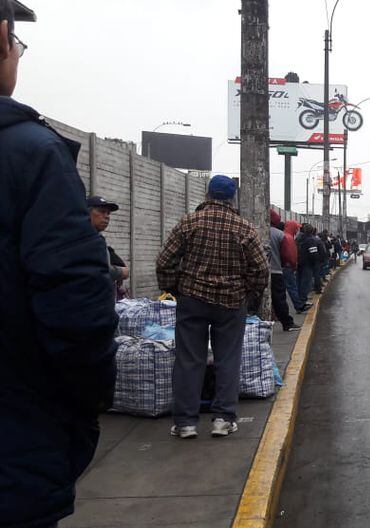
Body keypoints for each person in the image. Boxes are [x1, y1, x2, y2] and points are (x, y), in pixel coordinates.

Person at [0, 2, 119, 525]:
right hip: (18, 432)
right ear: (2, 40)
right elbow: (77, 310)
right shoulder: (32, 155)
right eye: (18, 45)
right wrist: (87, 403)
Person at [156, 175, 269, 439]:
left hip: (192, 300)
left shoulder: (189, 222)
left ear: (208, 194)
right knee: (227, 360)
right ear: (232, 198)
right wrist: (248, 293)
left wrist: (174, 288)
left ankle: (185, 423)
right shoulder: (244, 228)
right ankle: (222, 419)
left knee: (188, 360)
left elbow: (164, 261)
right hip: (231, 304)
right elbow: (261, 270)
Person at [87, 195, 129, 299]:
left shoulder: (97, 238)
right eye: (101, 211)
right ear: (87, 213)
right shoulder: (83, 239)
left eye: (108, 213)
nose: (107, 216)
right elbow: (94, 270)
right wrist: (120, 272)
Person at [269, 210, 301, 332]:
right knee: (279, 299)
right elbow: (288, 255)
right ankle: (287, 323)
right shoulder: (279, 235)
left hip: (255, 272)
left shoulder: (253, 230)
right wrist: (289, 265)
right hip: (276, 270)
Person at [282, 220, 310, 312]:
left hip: (284, 266)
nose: (297, 229)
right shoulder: (289, 238)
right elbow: (291, 255)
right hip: (288, 266)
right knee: (292, 286)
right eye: (296, 227)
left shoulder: (287, 236)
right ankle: (299, 306)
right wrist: (294, 265)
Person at [296, 223, 321, 303]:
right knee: (306, 282)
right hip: (308, 264)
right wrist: (315, 263)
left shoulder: (300, 238)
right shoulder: (311, 240)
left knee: (300, 282)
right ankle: (303, 300)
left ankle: (300, 298)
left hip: (300, 262)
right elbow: (313, 253)